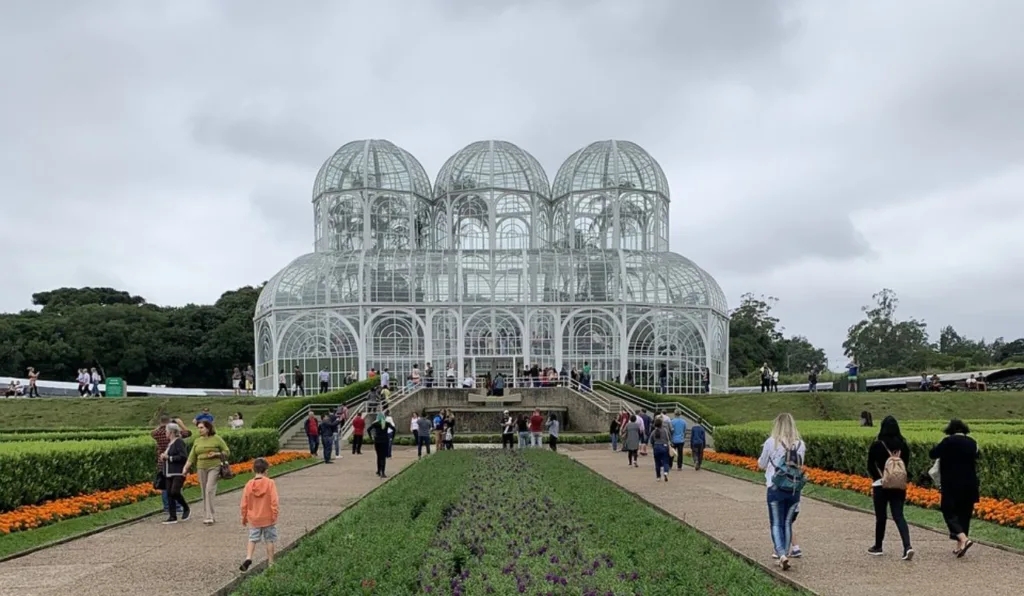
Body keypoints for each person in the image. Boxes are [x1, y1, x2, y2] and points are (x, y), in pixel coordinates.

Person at [757, 413, 805, 571]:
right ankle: (784, 553)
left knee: (776, 523)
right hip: (794, 489)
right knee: (787, 522)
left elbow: (762, 464)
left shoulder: (771, 442)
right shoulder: (800, 444)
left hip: (775, 486)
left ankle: (782, 554)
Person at [930, 419, 980, 558]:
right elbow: (977, 456)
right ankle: (960, 545)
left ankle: (963, 539)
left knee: (948, 511)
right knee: (965, 513)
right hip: (970, 483)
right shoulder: (972, 442)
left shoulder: (947, 442)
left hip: (951, 483)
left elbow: (932, 453)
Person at [867, 415, 914, 560]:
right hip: (899, 485)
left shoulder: (877, 444)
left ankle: (878, 545)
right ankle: (907, 546)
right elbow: (906, 464)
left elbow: (870, 465)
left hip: (881, 485)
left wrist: (879, 478)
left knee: (881, 517)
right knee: (899, 515)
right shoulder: (903, 444)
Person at [183, 420, 230, 525]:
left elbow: (226, 451)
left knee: (209, 489)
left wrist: (216, 454)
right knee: (204, 491)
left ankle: (209, 516)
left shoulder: (216, 439)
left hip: (214, 466)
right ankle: (208, 513)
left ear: (208, 428)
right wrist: (185, 468)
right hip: (201, 467)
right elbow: (192, 456)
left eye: (201, 428)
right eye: (198, 428)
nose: (199, 430)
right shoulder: (197, 441)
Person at [239, 457, 280, 572]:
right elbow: (274, 500)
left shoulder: (249, 485)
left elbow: (244, 503)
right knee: (269, 540)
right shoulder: (270, 483)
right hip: (268, 517)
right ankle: (271, 562)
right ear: (266, 470)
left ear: (253, 470)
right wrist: (274, 514)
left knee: (252, 539)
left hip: (254, 518)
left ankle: (248, 557)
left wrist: (244, 517)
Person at [152, 415, 191, 516]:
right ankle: (178, 507)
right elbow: (188, 433)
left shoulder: (157, 433)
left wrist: (159, 426)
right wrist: (180, 423)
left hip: (163, 463)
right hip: (172, 463)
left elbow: (152, 432)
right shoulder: (177, 436)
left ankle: (167, 507)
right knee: (174, 488)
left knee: (166, 487)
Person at [369, 413, 395, 478]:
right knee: (383, 457)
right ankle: (383, 472)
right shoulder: (386, 423)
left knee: (378, 456)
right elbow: (394, 429)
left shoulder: (375, 423)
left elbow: (368, 430)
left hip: (377, 441)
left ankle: (378, 470)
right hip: (385, 441)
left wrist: (371, 437)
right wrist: (393, 437)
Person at [650, 416, 672, 481]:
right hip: (664, 447)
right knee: (666, 461)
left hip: (656, 447)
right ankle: (665, 472)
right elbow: (669, 438)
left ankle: (658, 477)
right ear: (661, 424)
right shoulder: (665, 430)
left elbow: (651, 441)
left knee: (657, 462)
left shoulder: (653, 432)